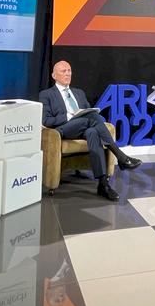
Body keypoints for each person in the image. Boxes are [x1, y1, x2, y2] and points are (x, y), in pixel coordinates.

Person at [39, 60, 141, 201]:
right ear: (54, 75)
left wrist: (85, 114)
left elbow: (89, 113)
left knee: (92, 131)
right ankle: (120, 156)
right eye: (63, 71)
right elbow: (46, 120)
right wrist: (69, 116)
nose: (68, 74)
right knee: (92, 119)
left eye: (69, 70)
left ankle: (103, 184)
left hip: (84, 127)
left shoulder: (79, 93)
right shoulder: (46, 94)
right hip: (62, 130)